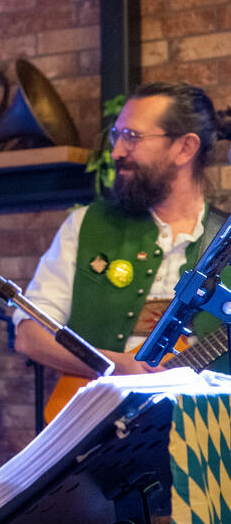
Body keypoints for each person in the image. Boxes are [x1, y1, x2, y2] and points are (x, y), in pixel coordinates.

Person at [15, 82, 231, 420]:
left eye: (132, 136)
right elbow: (30, 335)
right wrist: (118, 366)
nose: (116, 151)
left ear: (185, 148)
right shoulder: (85, 225)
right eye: (118, 136)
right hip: (94, 433)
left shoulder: (225, 241)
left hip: (203, 441)